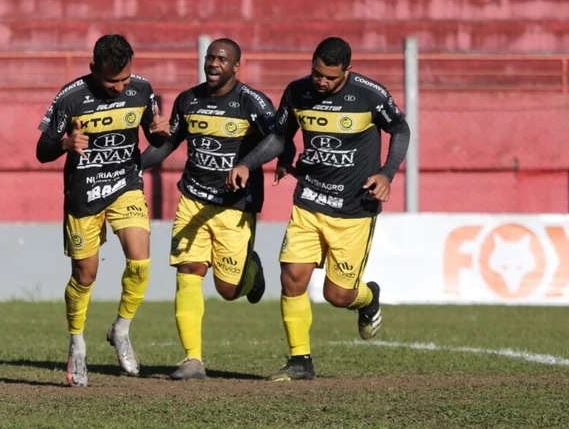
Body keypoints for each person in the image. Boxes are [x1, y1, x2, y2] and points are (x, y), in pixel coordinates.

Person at [227, 36, 411, 381]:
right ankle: (300, 360)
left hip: (355, 208)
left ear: (347, 71)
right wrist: (247, 164)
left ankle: (368, 297)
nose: (321, 82)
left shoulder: (370, 95)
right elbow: (281, 136)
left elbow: (399, 128)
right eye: (317, 74)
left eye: (330, 77)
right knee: (292, 278)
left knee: (337, 295)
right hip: (309, 201)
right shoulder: (298, 92)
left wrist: (386, 174)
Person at [36, 34, 170, 387]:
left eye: (125, 79)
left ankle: (121, 329)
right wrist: (65, 144)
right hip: (84, 194)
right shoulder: (71, 97)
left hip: (125, 185)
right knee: (85, 275)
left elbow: (154, 137)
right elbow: (42, 149)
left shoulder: (141, 90)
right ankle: (77, 346)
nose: (120, 87)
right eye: (112, 82)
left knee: (140, 262)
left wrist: (159, 133)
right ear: (93, 69)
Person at [139, 38, 275, 380]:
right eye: (209, 57)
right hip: (193, 200)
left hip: (234, 208)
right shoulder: (189, 99)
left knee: (228, 291)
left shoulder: (252, 102)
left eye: (222, 59)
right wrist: (134, 165)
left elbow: (277, 139)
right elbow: (169, 144)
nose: (213, 63)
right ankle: (192, 360)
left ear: (236, 67)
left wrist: (246, 164)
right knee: (188, 272)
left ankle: (251, 272)